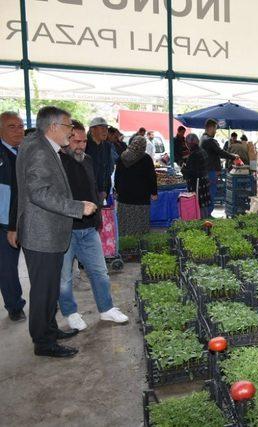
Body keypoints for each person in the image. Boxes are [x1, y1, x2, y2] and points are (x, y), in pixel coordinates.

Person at [16, 106, 98, 358]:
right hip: (42, 233)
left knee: (49, 287)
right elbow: (38, 193)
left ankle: (49, 329)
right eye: (68, 126)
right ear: (53, 127)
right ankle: (43, 342)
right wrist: (77, 207)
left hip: (46, 231)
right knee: (43, 290)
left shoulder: (42, 146)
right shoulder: (40, 150)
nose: (71, 132)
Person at [58, 121, 129, 331]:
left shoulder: (87, 160)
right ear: (65, 139)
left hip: (89, 228)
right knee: (65, 278)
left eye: (83, 141)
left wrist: (97, 213)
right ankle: (70, 313)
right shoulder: (56, 163)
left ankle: (106, 309)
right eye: (76, 141)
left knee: (99, 272)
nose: (81, 146)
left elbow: (93, 187)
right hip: (66, 229)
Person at [0, 111, 26, 321]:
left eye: (20, 126)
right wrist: (9, 224)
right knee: (7, 267)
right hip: (5, 221)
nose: (19, 130)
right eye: (12, 126)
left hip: (30, 218)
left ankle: (48, 303)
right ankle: (14, 305)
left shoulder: (26, 151)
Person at [114, 136, 158, 236]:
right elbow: (151, 177)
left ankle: (126, 245)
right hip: (141, 197)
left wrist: (118, 190)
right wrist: (154, 192)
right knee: (140, 223)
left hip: (124, 197)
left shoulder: (122, 156)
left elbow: (117, 176)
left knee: (126, 223)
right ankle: (140, 245)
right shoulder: (146, 158)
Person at [200, 119, 238, 208]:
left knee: (207, 193)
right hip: (210, 171)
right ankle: (208, 214)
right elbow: (220, 152)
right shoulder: (209, 140)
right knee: (211, 192)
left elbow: (216, 153)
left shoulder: (202, 138)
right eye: (215, 129)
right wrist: (233, 156)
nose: (216, 131)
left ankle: (207, 213)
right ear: (211, 128)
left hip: (206, 170)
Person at [86, 117, 115, 206]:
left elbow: (109, 168)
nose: (105, 131)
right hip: (88, 190)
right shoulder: (85, 145)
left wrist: (105, 190)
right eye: (102, 128)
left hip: (104, 190)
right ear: (92, 130)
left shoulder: (107, 146)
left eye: (106, 128)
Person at [181, 133, 212, 218]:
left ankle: (202, 224)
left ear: (189, 143)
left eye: (186, 143)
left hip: (198, 184)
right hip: (204, 180)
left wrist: (183, 170)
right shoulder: (202, 151)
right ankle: (205, 223)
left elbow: (193, 172)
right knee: (203, 206)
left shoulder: (194, 154)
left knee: (199, 205)